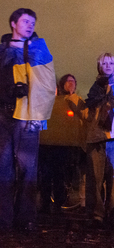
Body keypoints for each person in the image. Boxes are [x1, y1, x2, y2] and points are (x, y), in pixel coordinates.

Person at [0, 8, 56, 232]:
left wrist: (38, 115)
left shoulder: (39, 51)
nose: (30, 25)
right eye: (25, 21)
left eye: (33, 22)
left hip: (28, 116)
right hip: (3, 115)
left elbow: (46, 84)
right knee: (3, 169)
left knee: (28, 169)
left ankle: (26, 220)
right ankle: (3, 220)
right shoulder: (2, 51)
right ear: (13, 23)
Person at [85, 53, 114, 225]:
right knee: (95, 179)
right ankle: (96, 214)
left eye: (111, 62)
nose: (107, 65)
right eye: (103, 62)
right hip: (97, 137)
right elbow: (89, 111)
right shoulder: (95, 87)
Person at [39, 74, 86, 214]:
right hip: (47, 144)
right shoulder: (51, 100)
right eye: (68, 81)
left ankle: (59, 204)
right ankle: (45, 203)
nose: (70, 84)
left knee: (60, 176)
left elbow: (82, 118)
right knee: (46, 176)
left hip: (65, 145)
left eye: (73, 81)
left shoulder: (77, 100)